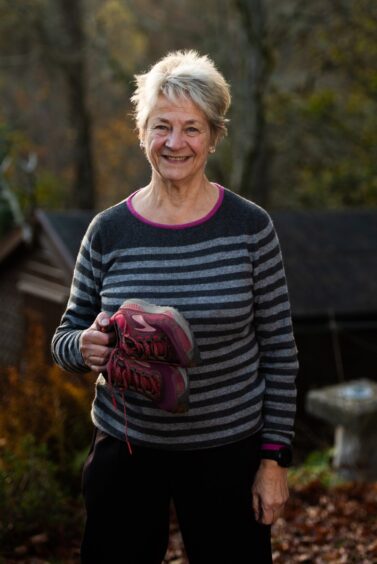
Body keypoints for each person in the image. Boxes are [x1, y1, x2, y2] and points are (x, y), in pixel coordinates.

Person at [52, 50, 298, 564]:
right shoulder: (108, 231)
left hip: (228, 451)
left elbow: (279, 350)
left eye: (192, 128)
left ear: (213, 135)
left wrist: (274, 459)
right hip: (127, 448)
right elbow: (65, 337)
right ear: (142, 133)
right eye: (161, 127)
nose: (175, 143)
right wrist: (86, 346)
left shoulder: (250, 228)